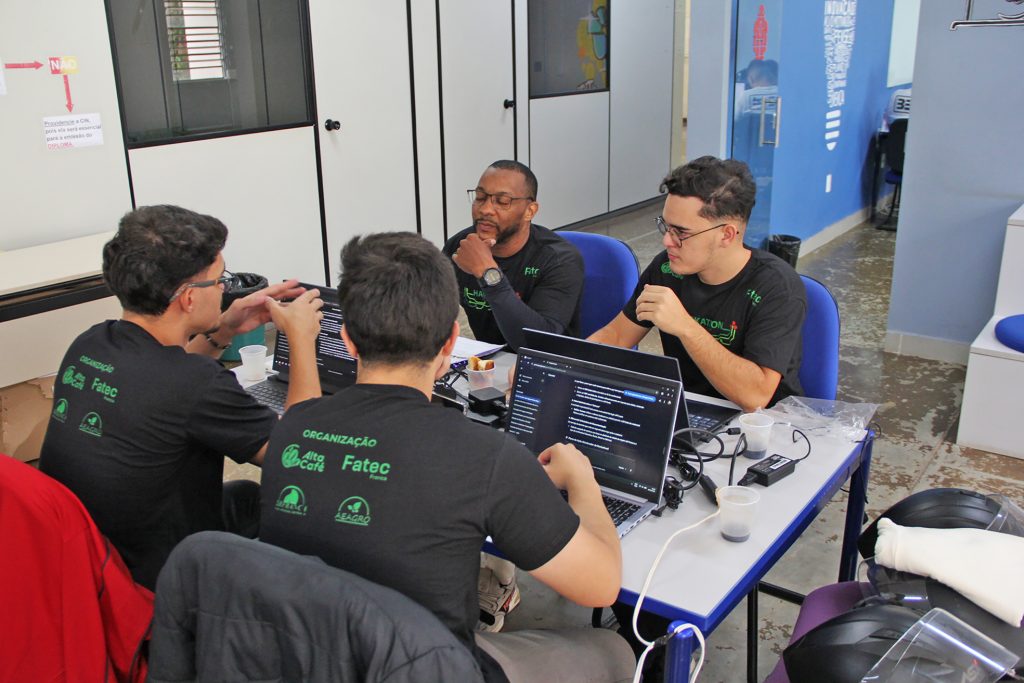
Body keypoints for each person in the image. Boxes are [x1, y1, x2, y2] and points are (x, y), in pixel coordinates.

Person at [259, 232, 633, 683]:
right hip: (429, 668)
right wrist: (583, 481)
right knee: (613, 650)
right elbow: (601, 586)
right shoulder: (487, 457)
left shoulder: (291, 429)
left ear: (348, 340)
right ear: (451, 342)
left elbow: (305, 412)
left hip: (311, 658)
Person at [39, 205, 323, 589]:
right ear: (188, 298)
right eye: (220, 280)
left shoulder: (90, 343)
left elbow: (164, 382)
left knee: (245, 497)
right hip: (156, 579)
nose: (224, 290)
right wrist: (301, 339)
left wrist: (224, 329)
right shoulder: (196, 384)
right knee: (295, 505)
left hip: (92, 554)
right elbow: (299, 455)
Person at [589, 156, 806, 411]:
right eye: (665, 227)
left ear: (726, 234)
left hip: (763, 424)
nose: (667, 241)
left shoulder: (777, 287)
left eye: (681, 232)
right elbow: (616, 336)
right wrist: (563, 368)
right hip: (689, 411)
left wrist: (685, 327)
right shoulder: (666, 269)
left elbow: (755, 397)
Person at [442, 160, 584, 351]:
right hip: (486, 360)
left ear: (530, 211)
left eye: (502, 201)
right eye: (480, 197)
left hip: (542, 363)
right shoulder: (461, 247)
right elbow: (428, 310)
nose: (485, 209)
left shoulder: (559, 260)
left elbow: (538, 344)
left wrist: (487, 273)